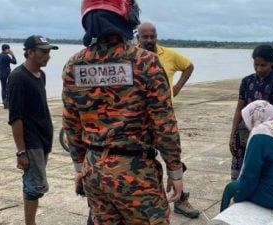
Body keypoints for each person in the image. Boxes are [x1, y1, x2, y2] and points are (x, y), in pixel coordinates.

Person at [62, 0, 183, 224]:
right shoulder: (146, 62)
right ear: (127, 17)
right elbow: (164, 124)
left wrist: (79, 167)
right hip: (136, 173)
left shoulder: (74, 66)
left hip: (94, 169)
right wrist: (174, 169)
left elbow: (71, 124)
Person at [137, 22, 199, 219]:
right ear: (138, 37)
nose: (148, 40)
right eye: (144, 36)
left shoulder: (169, 55)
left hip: (164, 118)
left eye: (152, 36)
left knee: (174, 157)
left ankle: (180, 199)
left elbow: (188, 66)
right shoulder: (131, 57)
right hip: (138, 121)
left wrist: (178, 87)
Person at [7, 35, 58, 225]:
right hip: (31, 140)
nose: (48, 56)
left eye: (49, 52)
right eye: (43, 52)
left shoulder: (40, 75)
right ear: (30, 52)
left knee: (32, 183)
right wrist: (21, 151)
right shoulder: (18, 78)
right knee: (35, 187)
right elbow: (15, 118)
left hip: (44, 139)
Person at [229, 44, 273, 180]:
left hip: (266, 134)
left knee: (261, 171)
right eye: (256, 65)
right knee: (239, 174)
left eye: (263, 65)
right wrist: (233, 134)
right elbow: (239, 109)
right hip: (243, 133)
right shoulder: (246, 81)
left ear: (271, 63)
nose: (259, 69)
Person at [0, 44, 17, 108]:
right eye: (9, 49)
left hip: (0, 74)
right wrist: (12, 54)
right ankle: (7, 101)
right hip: (7, 74)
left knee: (3, 88)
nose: (9, 50)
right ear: (6, 49)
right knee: (8, 87)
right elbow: (14, 62)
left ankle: (4, 101)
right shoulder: (6, 56)